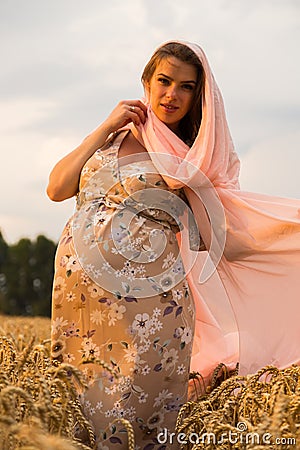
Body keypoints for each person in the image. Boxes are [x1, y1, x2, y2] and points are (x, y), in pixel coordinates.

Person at [47, 41, 300, 449]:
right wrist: (105, 127)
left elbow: (226, 240)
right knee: (77, 416)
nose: (172, 94)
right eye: (164, 81)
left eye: (186, 87)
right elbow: (57, 188)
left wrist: (288, 237)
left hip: (150, 311)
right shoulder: (111, 139)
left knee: (134, 424)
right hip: (79, 302)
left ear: (197, 97)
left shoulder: (187, 160)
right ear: (145, 82)